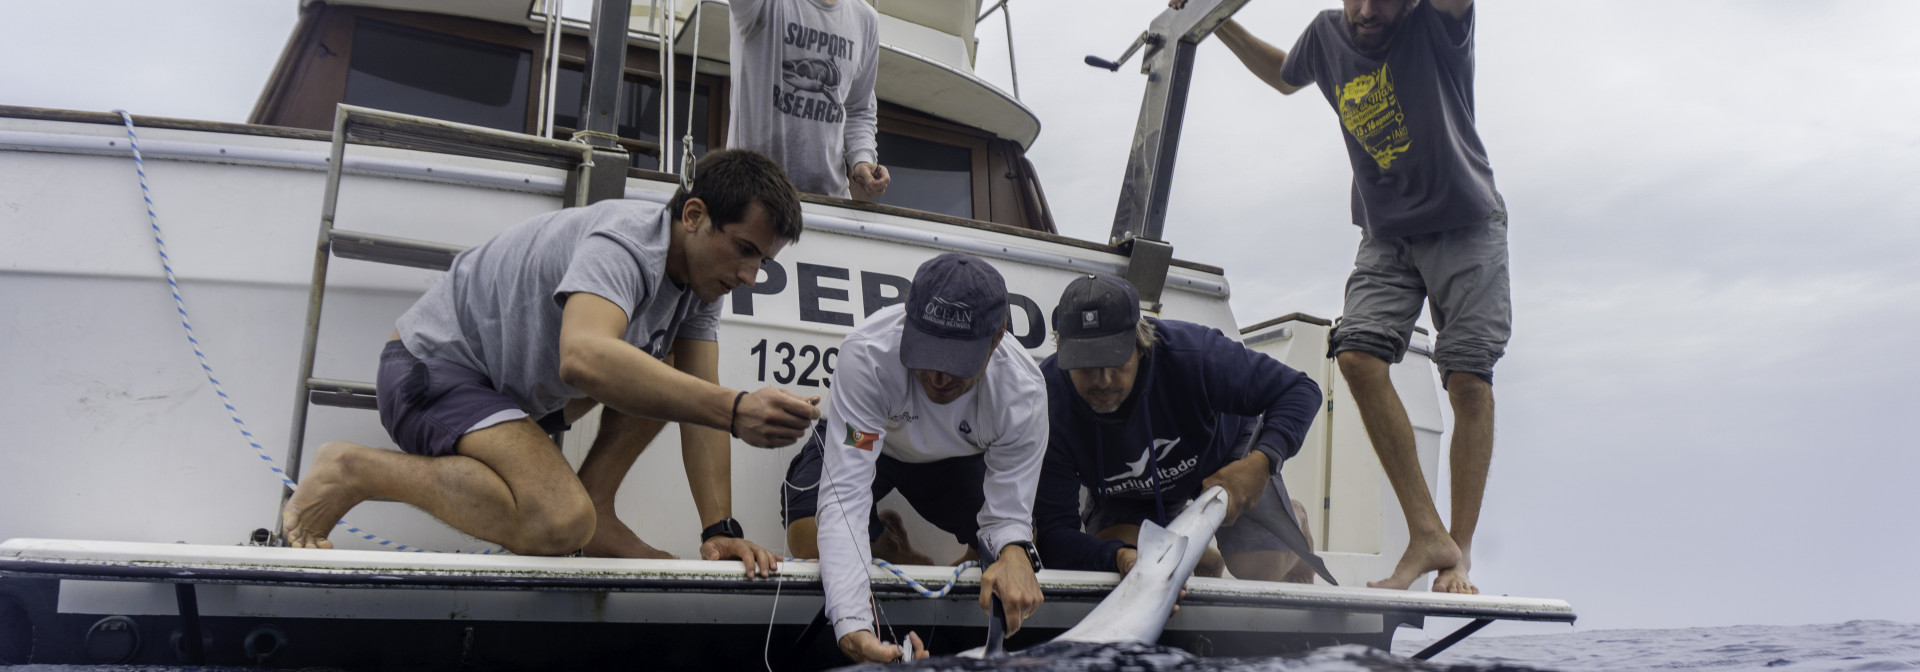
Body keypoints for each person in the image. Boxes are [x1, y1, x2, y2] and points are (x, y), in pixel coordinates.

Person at [281, 149, 820, 575]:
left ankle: (597, 506)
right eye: (744, 249)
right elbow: (583, 357)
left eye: (762, 261)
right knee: (559, 521)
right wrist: (737, 409)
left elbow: (703, 395)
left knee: (675, 366)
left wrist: (719, 529)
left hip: (509, 400)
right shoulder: (626, 244)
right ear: (694, 215)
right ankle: (354, 469)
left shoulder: (703, 282)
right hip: (429, 369)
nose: (749, 276)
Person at [1172, 0, 1505, 593]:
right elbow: (1282, 75)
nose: (1366, 10)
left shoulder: (1439, 23)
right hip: (1387, 232)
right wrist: (1215, 19)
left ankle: (1459, 555)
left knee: (1467, 382)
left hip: (1464, 224)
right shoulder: (1328, 35)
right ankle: (1427, 535)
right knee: (1355, 354)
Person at [780, 253, 1046, 663]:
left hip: (952, 460)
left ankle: (938, 571)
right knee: (807, 531)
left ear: (996, 338)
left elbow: (1008, 514)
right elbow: (846, 494)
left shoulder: (1022, 389)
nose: (937, 377)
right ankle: (894, 552)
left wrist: (1014, 551)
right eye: (927, 352)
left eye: (955, 363)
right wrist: (852, 623)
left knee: (1021, 548)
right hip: (868, 439)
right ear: (908, 320)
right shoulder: (867, 353)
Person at [1034, 275, 1323, 582]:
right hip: (1128, 490)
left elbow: (1300, 390)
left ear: (1140, 346)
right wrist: (1117, 556)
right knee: (1117, 566)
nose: (1103, 381)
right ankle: (1200, 551)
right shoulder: (1046, 398)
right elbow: (1055, 535)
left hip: (1220, 456)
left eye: (1116, 362)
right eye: (1086, 366)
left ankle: (1294, 519)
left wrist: (1261, 463)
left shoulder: (1194, 354)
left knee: (1259, 568)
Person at [728, 0, 891, 200]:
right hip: (752, 196)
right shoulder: (763, 4)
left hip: (828, 204)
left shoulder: (866, 19)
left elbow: (859, 110)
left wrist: (862, 159)